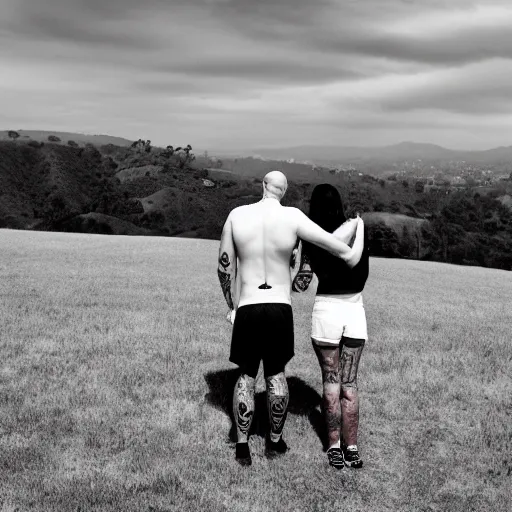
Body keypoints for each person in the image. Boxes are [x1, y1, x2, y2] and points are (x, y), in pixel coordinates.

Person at [217, 171, 365, 466]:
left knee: (246, 375)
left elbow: (224, 268)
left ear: (263, 185)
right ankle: (274, 442)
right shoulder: (293, 217)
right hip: (279, 308)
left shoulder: (236, 216)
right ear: (284, 191)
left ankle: (243, 446)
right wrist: (357, 226)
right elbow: (337, 250)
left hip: (248, 304)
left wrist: (232, 306)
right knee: (276, 375)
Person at [292, 184, 369, 470]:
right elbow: (361, 270)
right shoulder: (357, 227)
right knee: (350, 384)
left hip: (326, 310)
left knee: (331, 383)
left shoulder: (313, 237)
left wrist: (295, 258)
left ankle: (333, 447)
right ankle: (353, 448)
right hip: (354, 309)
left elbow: (301, 283)